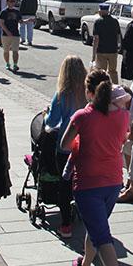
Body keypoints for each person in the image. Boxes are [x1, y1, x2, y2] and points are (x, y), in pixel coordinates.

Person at [58, 69, 129, 266]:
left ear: (89, 92)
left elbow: (64, 144)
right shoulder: (123, 115)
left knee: (102, 235)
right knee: (96, 227)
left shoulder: (82, 116)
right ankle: (85, 265)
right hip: (114, 180)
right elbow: (121, 140)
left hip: (88, 183)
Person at [45, 56, 87, 239]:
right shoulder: (88, 92)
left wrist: (46, 115)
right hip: (85, 144)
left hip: (66, 144)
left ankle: (65, 224)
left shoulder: (62, 94)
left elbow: (52, 121)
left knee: (64, 182)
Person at [92, 3, 122, 84]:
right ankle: (116, 87)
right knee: (113, 71)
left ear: (101, 11)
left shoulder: (98, 22)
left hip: (101, 51)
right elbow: (118, 35)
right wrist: (118, 46)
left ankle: (102, 88)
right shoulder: (115, 21)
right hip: (113, 50)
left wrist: (94, 55)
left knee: (102, 72)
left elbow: (96, 39)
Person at [0, 0, 24, 72]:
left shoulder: (17, 12)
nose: (12, 3)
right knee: (6, 51)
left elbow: (20, 21)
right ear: (7, 2)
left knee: (15, 51)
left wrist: (28, 20)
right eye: (11, 1)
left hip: (15, 34)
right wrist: (7, 32)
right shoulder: (3, 12)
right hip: (5, 35)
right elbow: (1, 23)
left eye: (14, 1)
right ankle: (7, 63)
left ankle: (15, 64)